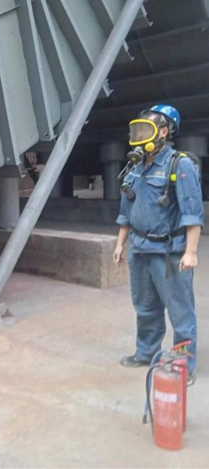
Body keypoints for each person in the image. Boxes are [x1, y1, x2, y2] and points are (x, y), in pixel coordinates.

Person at [113, 105, 203, 385]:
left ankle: (183, 365)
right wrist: (120, 244)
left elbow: (192, 212)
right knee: (145, 306)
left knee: (180, 311)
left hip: (168, 252)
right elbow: (126, 211)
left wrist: (191, 251)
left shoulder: (179, 165)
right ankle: (146, 352)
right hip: (139, 249)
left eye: (147, 130)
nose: (140, 136)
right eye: (137, 130)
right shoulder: (135, 167)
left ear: (164, 132)